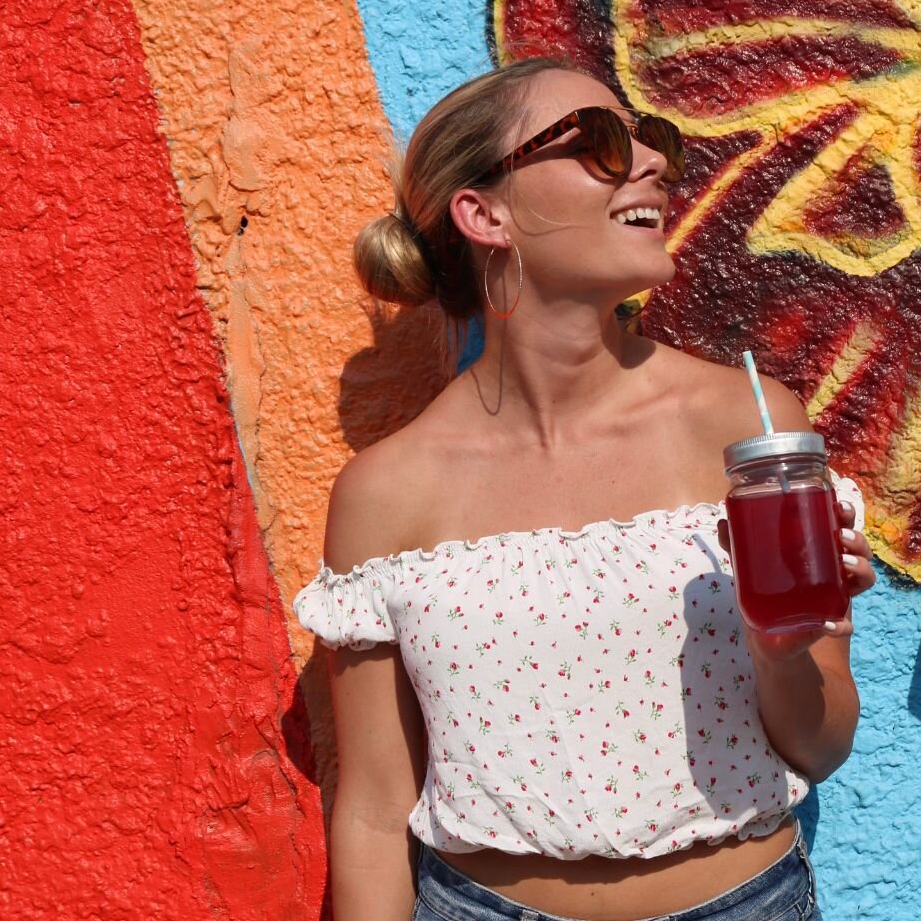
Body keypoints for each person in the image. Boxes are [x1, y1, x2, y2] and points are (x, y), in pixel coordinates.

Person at [295, 59, 873, 921]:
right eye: (601, 143)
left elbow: (820, 745)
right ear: (484, 213)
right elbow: (376, 813)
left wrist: (778, 651)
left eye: (650, 140)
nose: (651, 164)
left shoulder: (741, 426)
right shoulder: (388, 492)